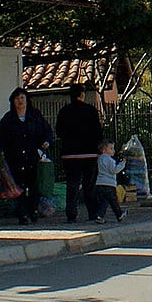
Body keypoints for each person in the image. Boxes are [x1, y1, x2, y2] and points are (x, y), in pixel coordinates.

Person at [0, 88, 52, 225]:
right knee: (18, 186)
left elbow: (47, 131)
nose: (20, 101)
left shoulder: (35, 116)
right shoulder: (8, 119)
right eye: (17, 98)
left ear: (27, 100)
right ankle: (22, 214)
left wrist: (46, 142)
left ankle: (33, 211)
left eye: (22, 98)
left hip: (32, 156)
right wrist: (0, 154)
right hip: (15, 157)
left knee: (33, 185)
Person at [54, 84, 105, 225]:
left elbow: (59, 131)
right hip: (89, 154)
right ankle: (93, 213)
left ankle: (71, 215)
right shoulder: (91, 111)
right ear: (82, 94)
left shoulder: (64, 112)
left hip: (70, 154)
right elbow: (98, 132)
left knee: (72, 185)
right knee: (89, 185)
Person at [93, 140, 126, 224]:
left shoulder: (100, 159)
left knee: (103, 201)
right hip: (109, 184)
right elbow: (114, 170)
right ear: (104, 150)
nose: (113, 150)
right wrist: (122, 164)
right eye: (111, 148)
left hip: (100, 183)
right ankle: (119, 214)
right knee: (113, 200)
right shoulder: (110, 160)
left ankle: (99, 215)